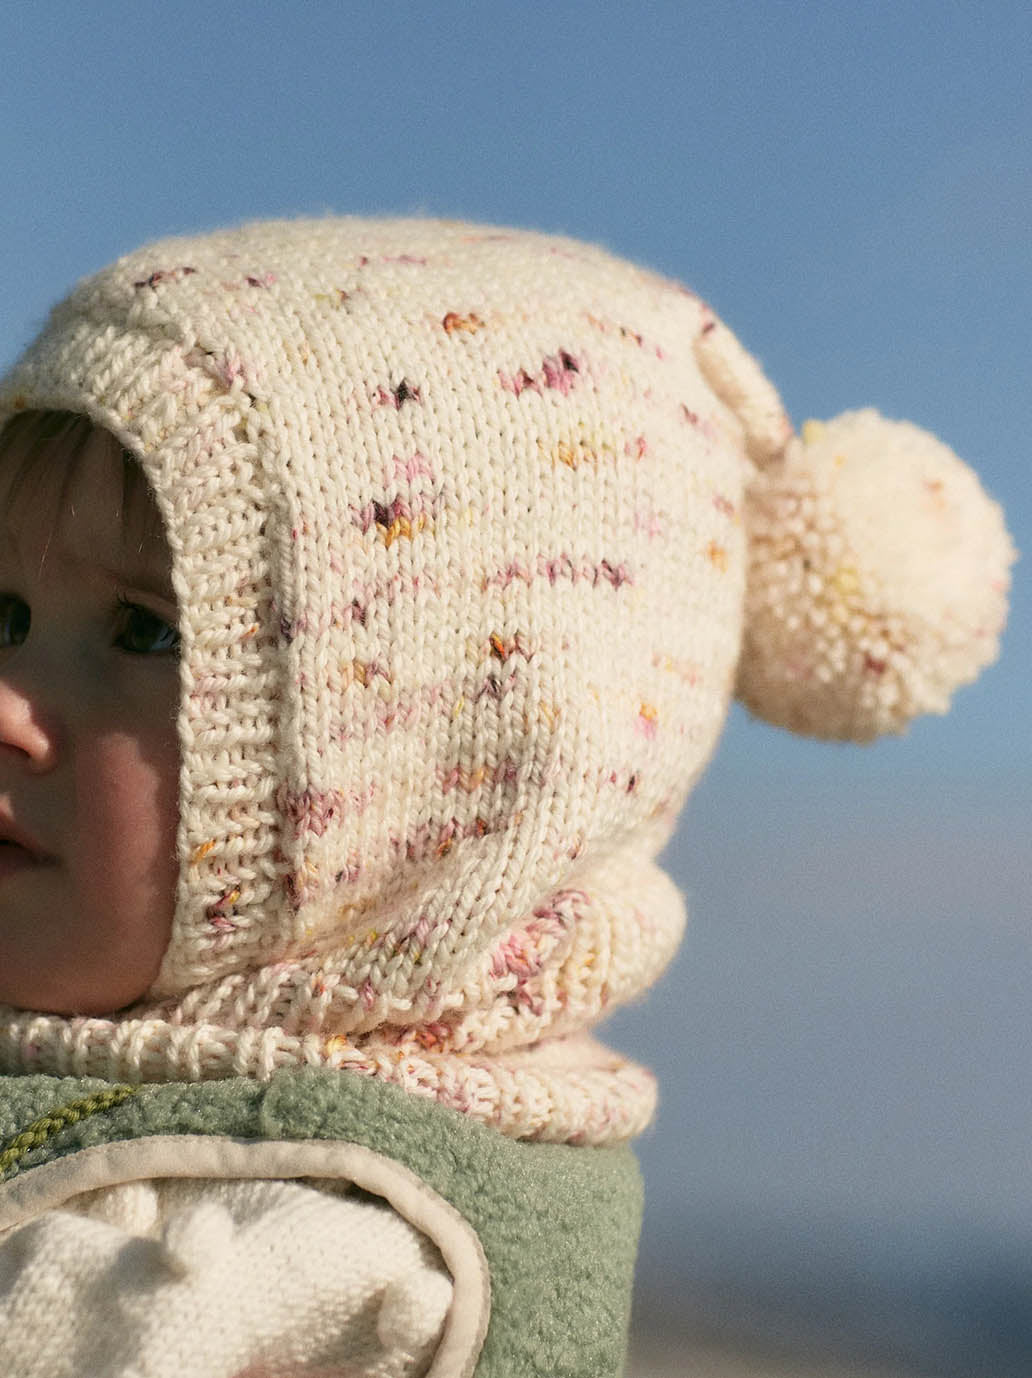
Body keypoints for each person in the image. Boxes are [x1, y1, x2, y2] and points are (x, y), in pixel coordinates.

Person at [0, 217, 1015, 1377]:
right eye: (6, 615)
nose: (8, 700)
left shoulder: (305, 1268)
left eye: (145, 630)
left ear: (426, 781)